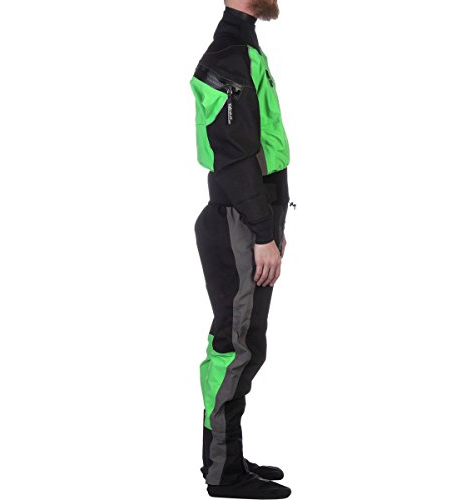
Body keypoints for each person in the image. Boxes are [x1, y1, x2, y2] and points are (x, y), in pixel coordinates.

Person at [189, 1, 293, 498]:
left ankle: (224, 454)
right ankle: (224, 472)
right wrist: (261, 232)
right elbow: (233, 157)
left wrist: (274, 222)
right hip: (237, 224)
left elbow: (263, 146)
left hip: (249, 221)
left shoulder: (244, 47)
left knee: (241, 344)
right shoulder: (228, 55)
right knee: (236, 348)